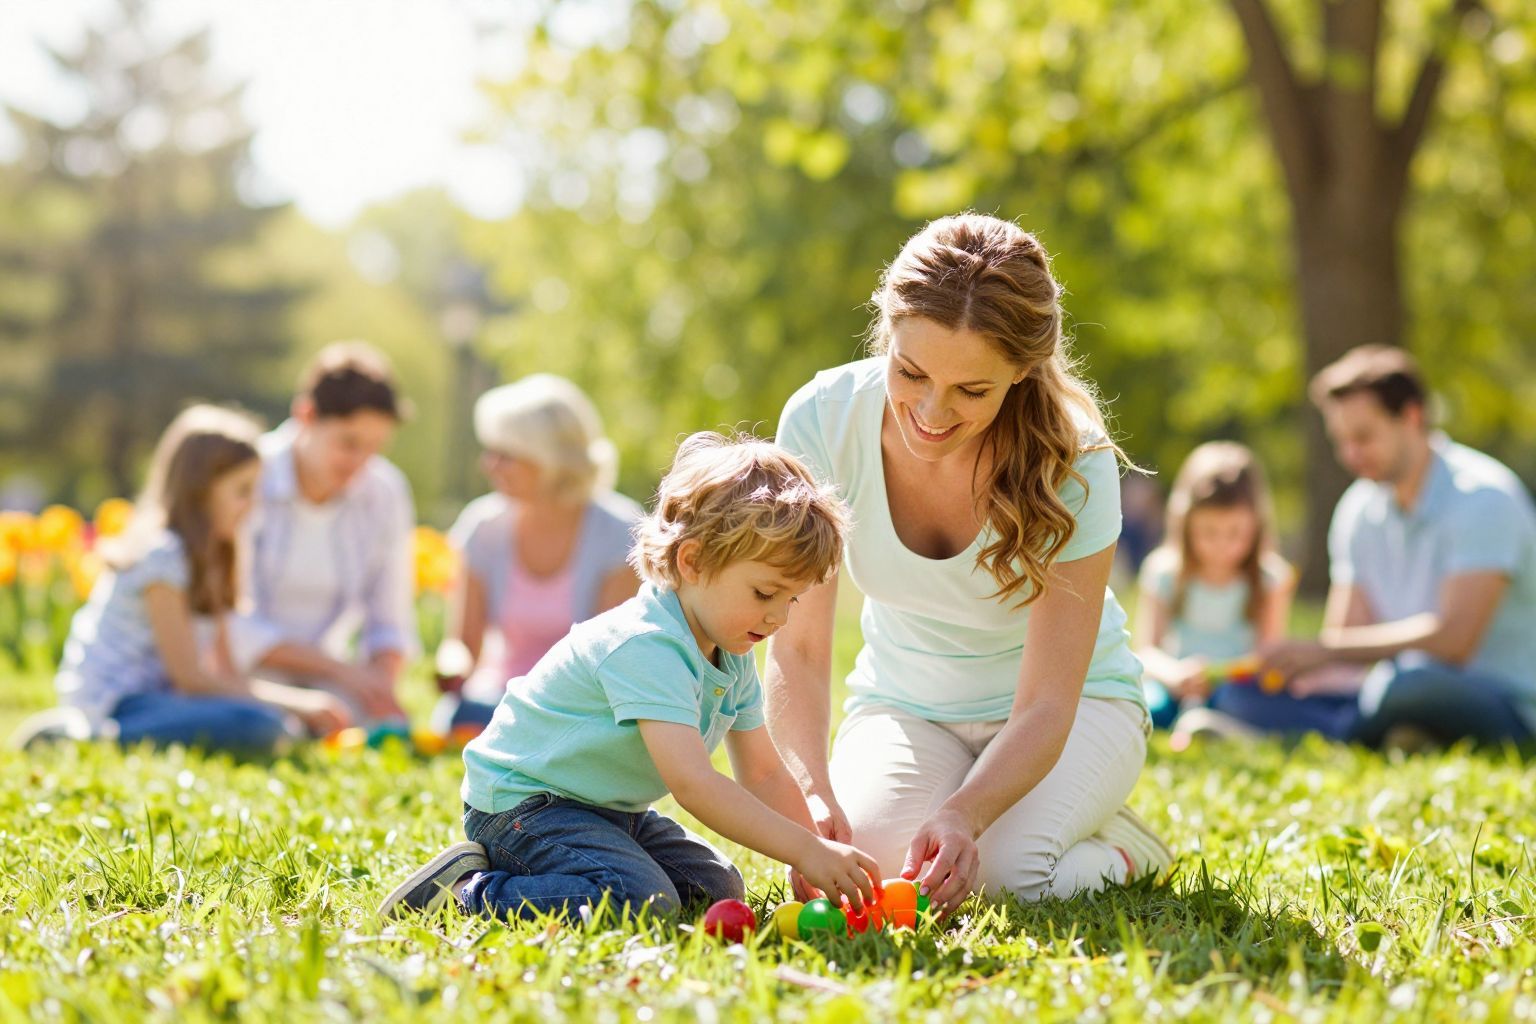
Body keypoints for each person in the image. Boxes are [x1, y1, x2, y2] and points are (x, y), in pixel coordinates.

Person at [768, 213, 1171, 917]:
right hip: (906, 706)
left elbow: (1048, 700)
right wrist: (810, 788)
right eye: (910, 371)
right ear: (885, 331)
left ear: (1022, 372)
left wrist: (968, 812)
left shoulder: (1075, 462)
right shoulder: (821, 423)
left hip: (1071, 714)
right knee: (871, 864)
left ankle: (1130, 849)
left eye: (971, 391)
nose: (930, 410)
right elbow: (798, 647)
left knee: (1003, 878)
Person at [378, 434, 881, 922]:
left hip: (606, 809)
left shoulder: (731, 651)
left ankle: (578, 869)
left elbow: (765, 774)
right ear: (693, 561)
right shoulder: (647, 645)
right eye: (764, 593)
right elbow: (694, 785)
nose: (778, 619)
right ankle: (469, 892)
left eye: (790, 599)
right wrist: (804, 847)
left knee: (717, 888)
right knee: (640, 900)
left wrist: (809, 852)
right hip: (525, 804)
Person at [16, 406, 350, 753]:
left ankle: (108, 734)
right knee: (259, 727)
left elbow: (227, 674)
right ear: (201, 491)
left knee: (271, 726)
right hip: (118, 702)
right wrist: (294, 705)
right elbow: (189, 677)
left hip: (164, 701)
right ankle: (88, 735)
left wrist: (295, 705)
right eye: (241, 490)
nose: (252, 505)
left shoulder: (218, 556)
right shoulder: (163, 557)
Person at [1259, 345, 1536, 749]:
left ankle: (1331, 732)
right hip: (1392, 688)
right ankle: (1395, 734)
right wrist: (1294, 670)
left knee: (1408, 685)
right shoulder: (1358, 509)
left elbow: (1455, 641)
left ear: (1412, 416)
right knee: (1247, 695)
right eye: (1341, 441)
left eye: (1363, 437)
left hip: (1504, 704)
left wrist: (1327, 651)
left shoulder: (1484, 497)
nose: (1349, 455)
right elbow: (1347, 638)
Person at [431, 375, 641, 736]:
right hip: (498, 700)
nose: (489, 464)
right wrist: (451, 665)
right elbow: (463, 645)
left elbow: (611, 665)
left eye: (505, 456)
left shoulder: (619, 532)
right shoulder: (483, 526)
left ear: (551, 461)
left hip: (582, 709)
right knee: (460, 715)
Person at [230, 342, 417, 726]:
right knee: (265, 724)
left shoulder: (384, 491)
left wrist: (379, 685)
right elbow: (231, 622)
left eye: (374, 447)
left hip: (328, 676)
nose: (360, 463)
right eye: (349, 443)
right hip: (245, 671)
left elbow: (390, 619)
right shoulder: (247, 477)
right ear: (306, 415)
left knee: (380, 725)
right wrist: (342, 671)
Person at [1133, 442, 1295, 733]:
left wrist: (1219, 675)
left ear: (1256, 527)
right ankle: (1192, 722)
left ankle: (1213, 725)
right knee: (1143, 706)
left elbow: (1267, 657)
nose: (1222, 546)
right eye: (1208, 532)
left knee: (1242, 703)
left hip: (1236, 688)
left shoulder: (1269, 579)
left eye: (1235, 533)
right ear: (1186, 524)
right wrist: (1176, 676)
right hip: (1175, 686)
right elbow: (1146, 651)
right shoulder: (1164, 572)